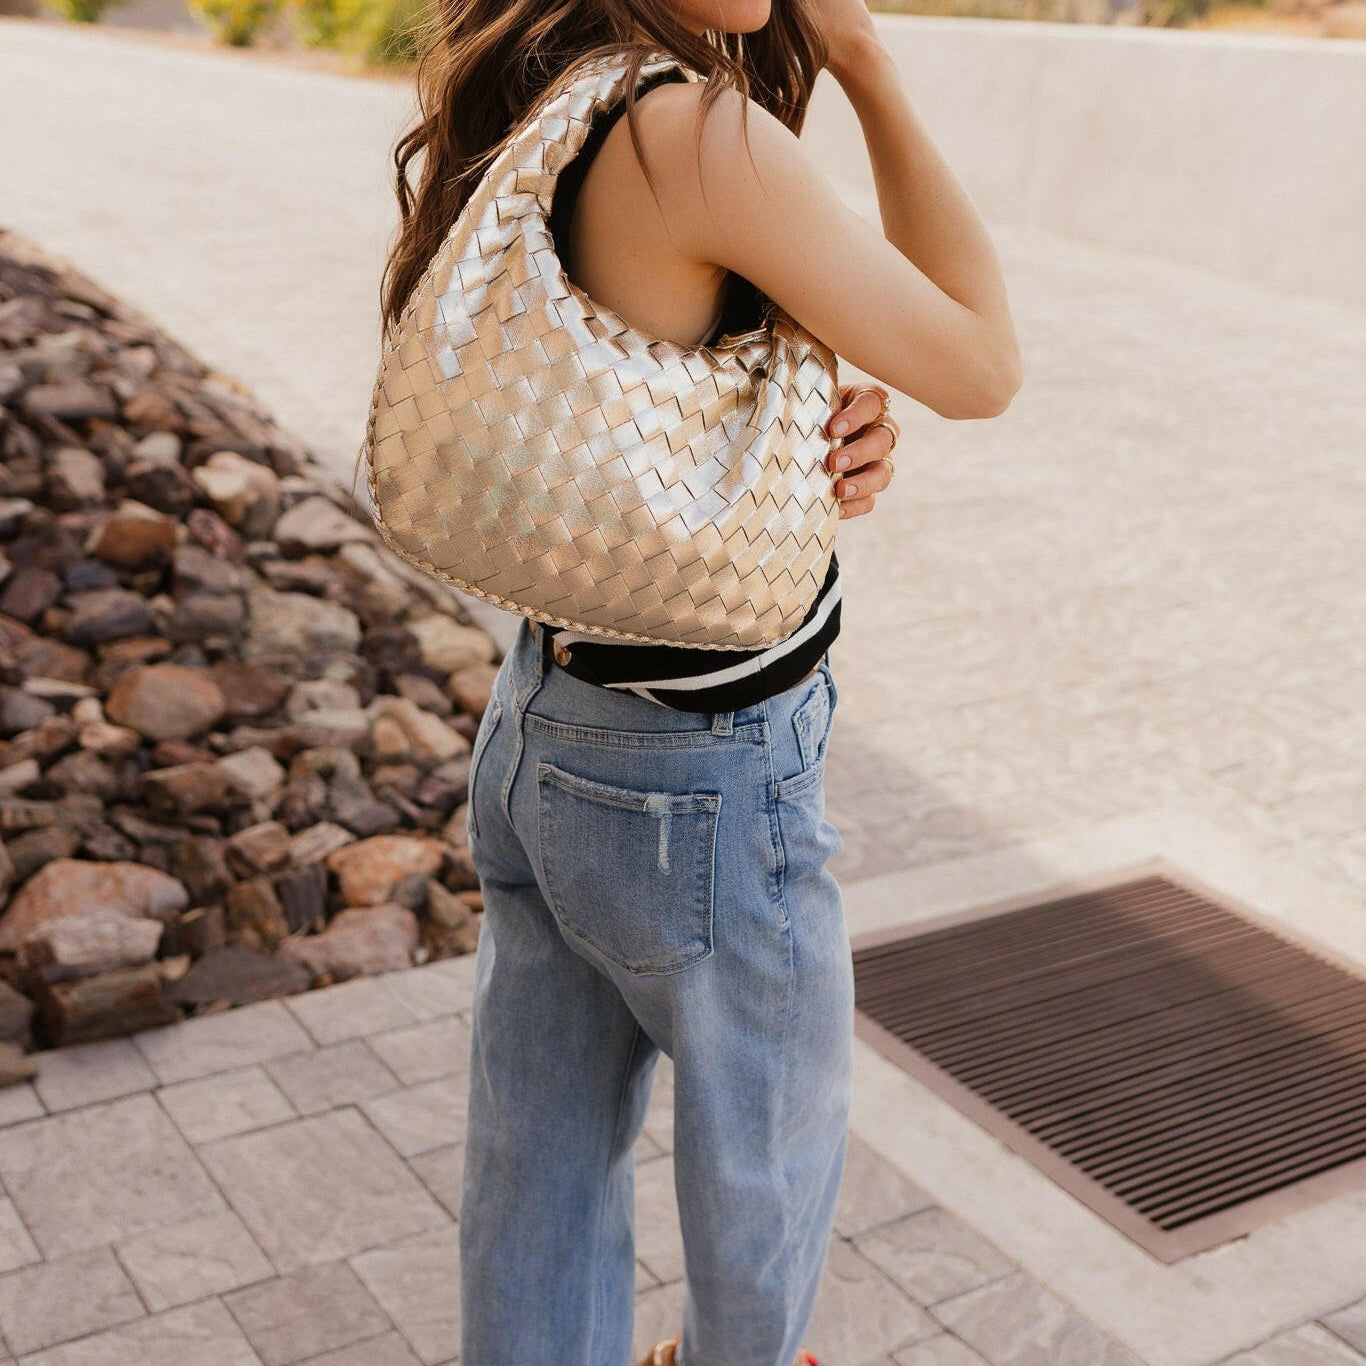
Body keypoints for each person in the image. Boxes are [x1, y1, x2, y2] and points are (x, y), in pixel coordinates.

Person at [376, 0, 1022, 1360]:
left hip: (548, 716)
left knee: (535, 1160)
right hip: (702, 764)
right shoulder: (706, 130)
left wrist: (808, 421)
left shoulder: (567, 96)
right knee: (763, 1165)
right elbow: (981, 362)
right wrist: (867, 64)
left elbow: (626, 402)